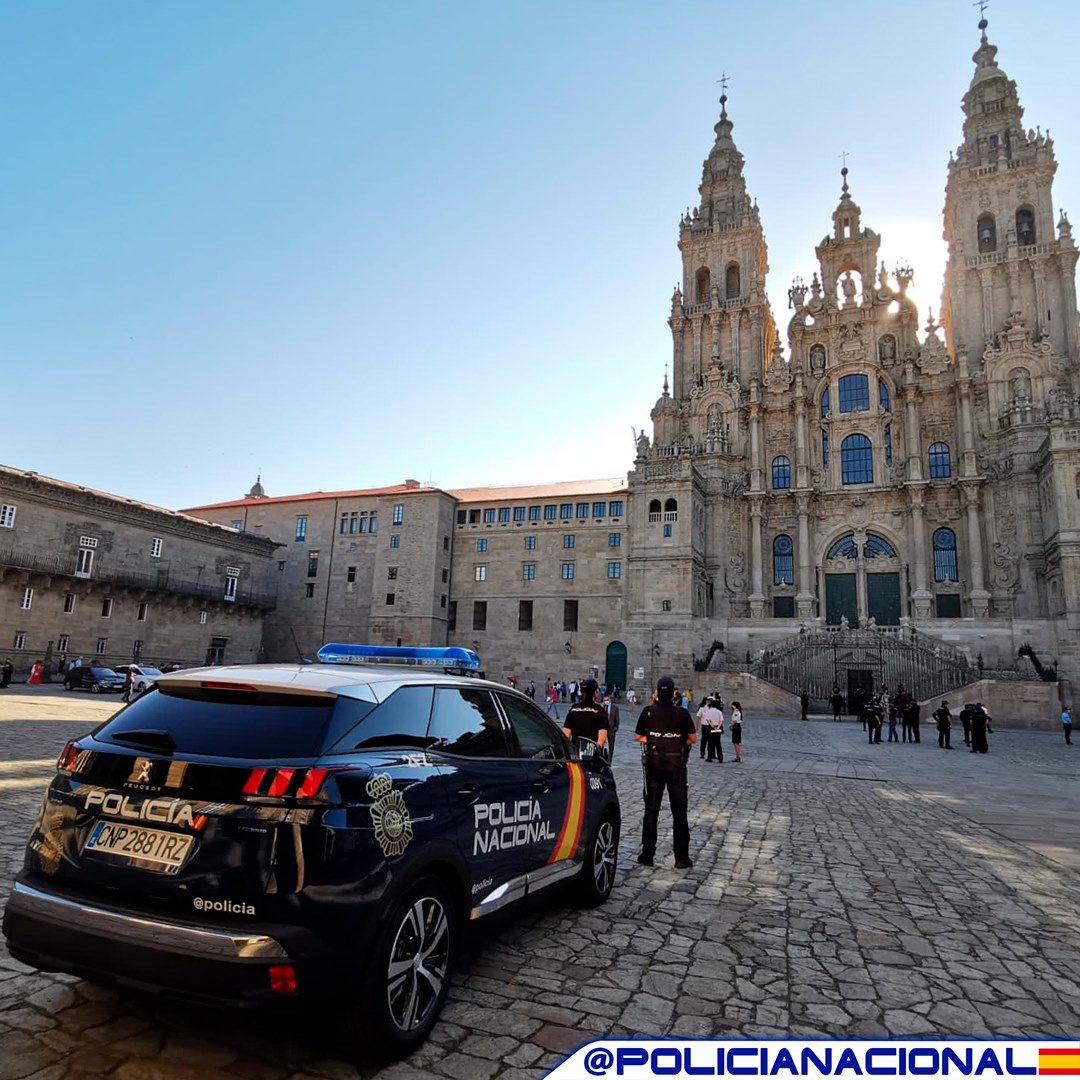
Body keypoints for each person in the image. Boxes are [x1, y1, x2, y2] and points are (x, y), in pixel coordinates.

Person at [635, 676, 696, 869]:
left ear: (657, 693)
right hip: (676, 765)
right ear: (673, 693)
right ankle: (681, 857)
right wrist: (676, 741)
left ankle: (648, 854)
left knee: (651, 810)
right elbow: (692, 739)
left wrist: (654, 739)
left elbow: (638, 737)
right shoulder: (682, 713)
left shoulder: (648, 713)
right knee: (679, 812)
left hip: (654, 765)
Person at [562, 678, 608, 752]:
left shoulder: (574, 709)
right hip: (591, 754)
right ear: (595, 693)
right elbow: (602, 738)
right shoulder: (599, 711)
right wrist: (596, 751)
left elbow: (566, 734)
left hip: (575, 752)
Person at [704, 697, 724, 763]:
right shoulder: (719, 712)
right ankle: (720, 758)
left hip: (711, 728)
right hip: (718, 728)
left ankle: (710, 757)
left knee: (710, 743)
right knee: (718, 744)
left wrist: (712, 726)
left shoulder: (708, 711)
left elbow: (708, 720)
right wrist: (718, 727)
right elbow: (721, 720)